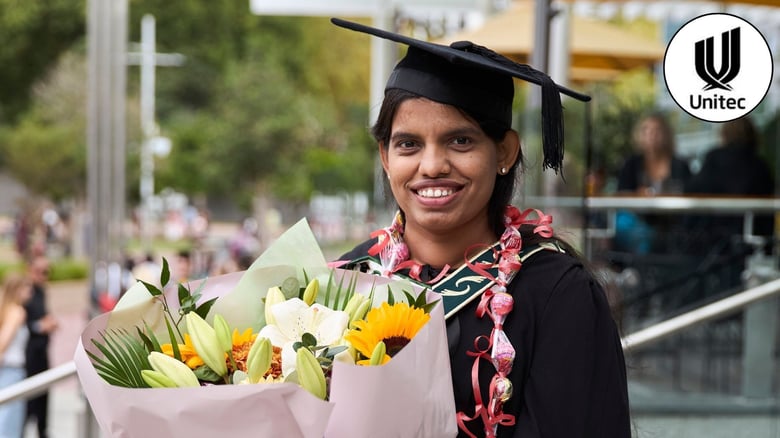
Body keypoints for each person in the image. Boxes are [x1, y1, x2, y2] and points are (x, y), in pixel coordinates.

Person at [331, 18, 630, 437]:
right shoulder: (345, 281)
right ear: (385, 156)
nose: (432, 166)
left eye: (460, 141)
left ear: (504, 151)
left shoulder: (558, 295)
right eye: (408, 144)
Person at [613, 113, 692, 254]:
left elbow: (689, 193)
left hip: (672, 221)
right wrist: (637, 194)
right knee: (625, 225)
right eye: (647, 130)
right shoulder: (632, 164)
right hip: (640, 220)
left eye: (657, 130)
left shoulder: (679, 165)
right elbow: (620, 194)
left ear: (666, 135)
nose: (652, 135)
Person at [24, 256, 58, 438]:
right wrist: (39, 326)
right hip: (28, 355)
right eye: (40, 271)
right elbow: (22, 325)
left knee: (44, 395)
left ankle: (42, 431)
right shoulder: (25, 293)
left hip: (42, 351)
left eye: (46, 272)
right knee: (28, 399)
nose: (43, 276)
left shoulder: (42, 291)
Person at [0, 273, 33, 438]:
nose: (30, 292)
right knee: (9, 423)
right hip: (12, 371)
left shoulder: (6, 310)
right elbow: (3, 342)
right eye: (26, 288)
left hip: (8, 370)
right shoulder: (17, 312)